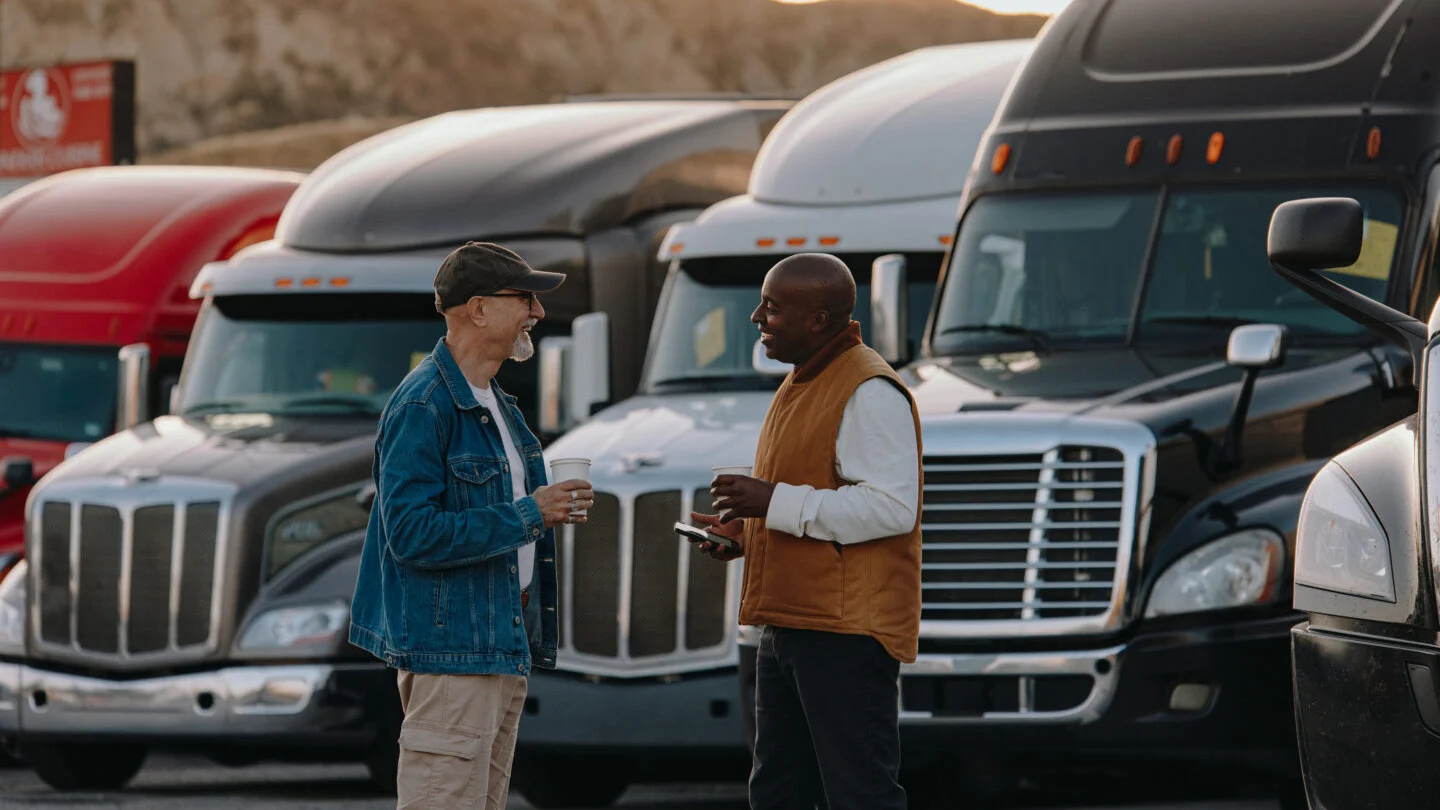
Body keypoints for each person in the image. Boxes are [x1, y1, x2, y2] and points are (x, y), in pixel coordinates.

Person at [349, 241, 595, 809]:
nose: (537, 312)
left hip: (494, 651)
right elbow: (410, 535)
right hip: (451, 657)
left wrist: (538, 510)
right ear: (479, 309)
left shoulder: (497, 402)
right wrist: (532, 513)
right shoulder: (423, 406)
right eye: (525, 299)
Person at [692, 252, 923, 810]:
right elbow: (818, 499)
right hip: (793, 625)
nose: (756, 318)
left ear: (818, 320)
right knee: (778, 792)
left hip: (844, 635)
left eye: (772, 307)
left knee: (859, 792)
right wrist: (746, 535)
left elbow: (894, 509)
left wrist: (771, 500)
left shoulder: (869, 389)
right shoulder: (804, 379)